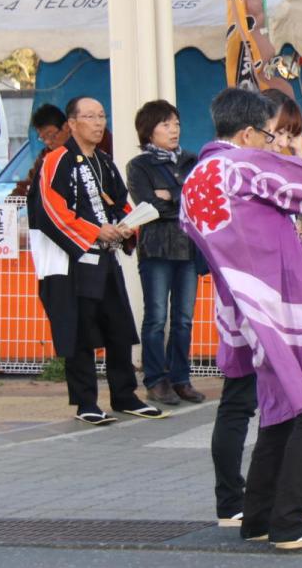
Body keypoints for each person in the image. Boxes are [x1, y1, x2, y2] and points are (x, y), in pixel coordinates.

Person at [183, 88, 302, 550]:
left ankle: (257, 515)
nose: (270, 142)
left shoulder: (196, 176)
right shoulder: (241, 163)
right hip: (280, 298)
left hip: (240, 304)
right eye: (266, 133)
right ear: (246, 133)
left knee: (280, 407)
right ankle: (289, 520)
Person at [27, 97, 164, 425]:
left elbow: (120, 203)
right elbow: (50, 210)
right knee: (79, 331)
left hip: (105, 257)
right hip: (71, 262)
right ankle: (86, 402)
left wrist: (126, 226)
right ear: (72, 124)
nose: (98, 122)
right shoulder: (56, 160)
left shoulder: (104, 161)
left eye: (102, 116)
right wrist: (94, 231)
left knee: (118, 326)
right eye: (89, 116)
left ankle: (124, 394)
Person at [126, 100, 205, 406]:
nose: (174, 130)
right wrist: (180, 199)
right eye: (165, 124)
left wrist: (171, 195)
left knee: (184, 319)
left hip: (188, 248)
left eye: (176, 124)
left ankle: (180, 378)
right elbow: (148, 207)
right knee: (156, 317)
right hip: (156, 249)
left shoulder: (191, 160)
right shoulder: (139, 166)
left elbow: (200, 200)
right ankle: (155, 380)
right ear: (149, 131)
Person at [12, 104, 71, 198]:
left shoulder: (83, 150)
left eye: (51, 135)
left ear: (66, 127)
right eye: (43, 138)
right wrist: (12, 201)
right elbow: (29, 184)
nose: (48, 142)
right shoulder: (45, 155)